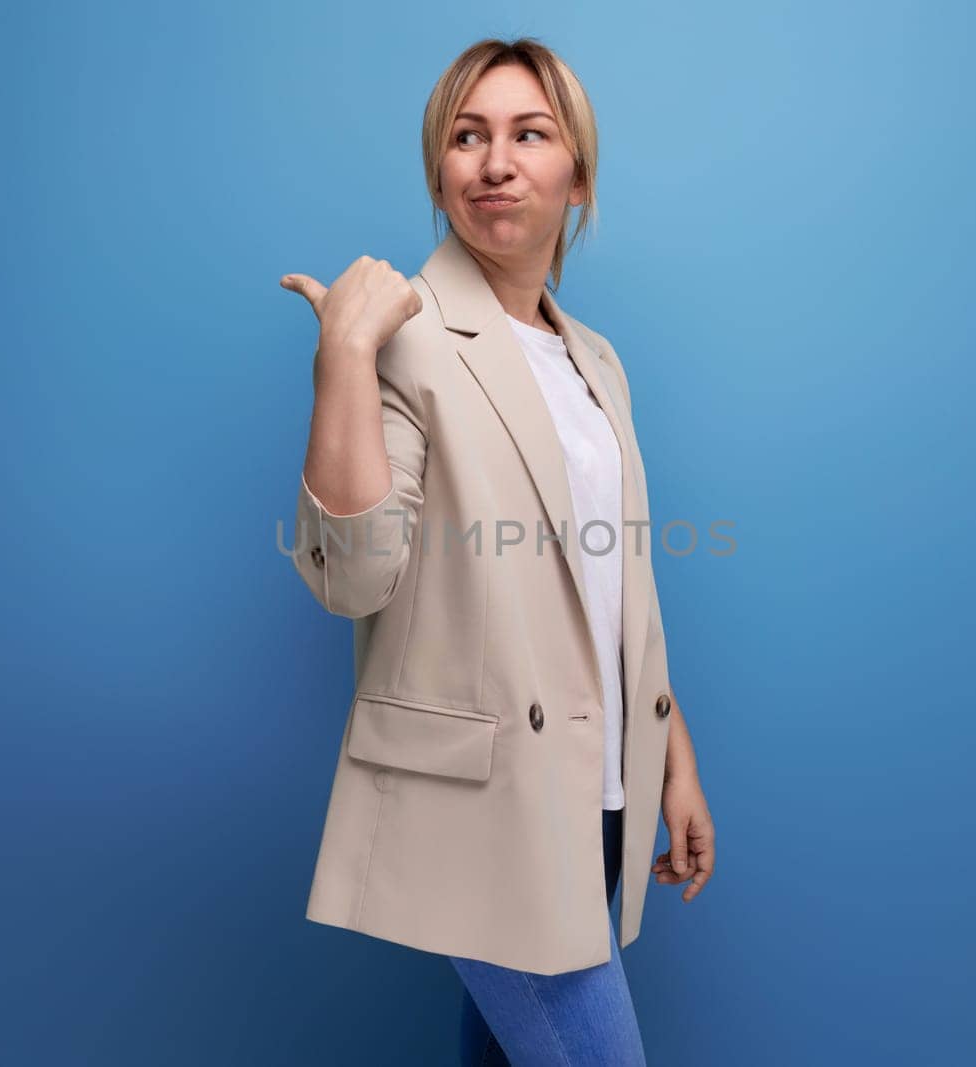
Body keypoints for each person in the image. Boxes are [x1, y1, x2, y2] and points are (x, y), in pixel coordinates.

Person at [280, 37, 715, 1066]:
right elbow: (353, 579)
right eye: (466, 137)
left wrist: (672, 764)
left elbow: (611, 586)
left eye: (530, 133)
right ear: (439, 170)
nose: (495, 162)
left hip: (598, 792)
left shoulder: (593, 358)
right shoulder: (405, 334)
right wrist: (343, 350)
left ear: (578, 176)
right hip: (490, 808)